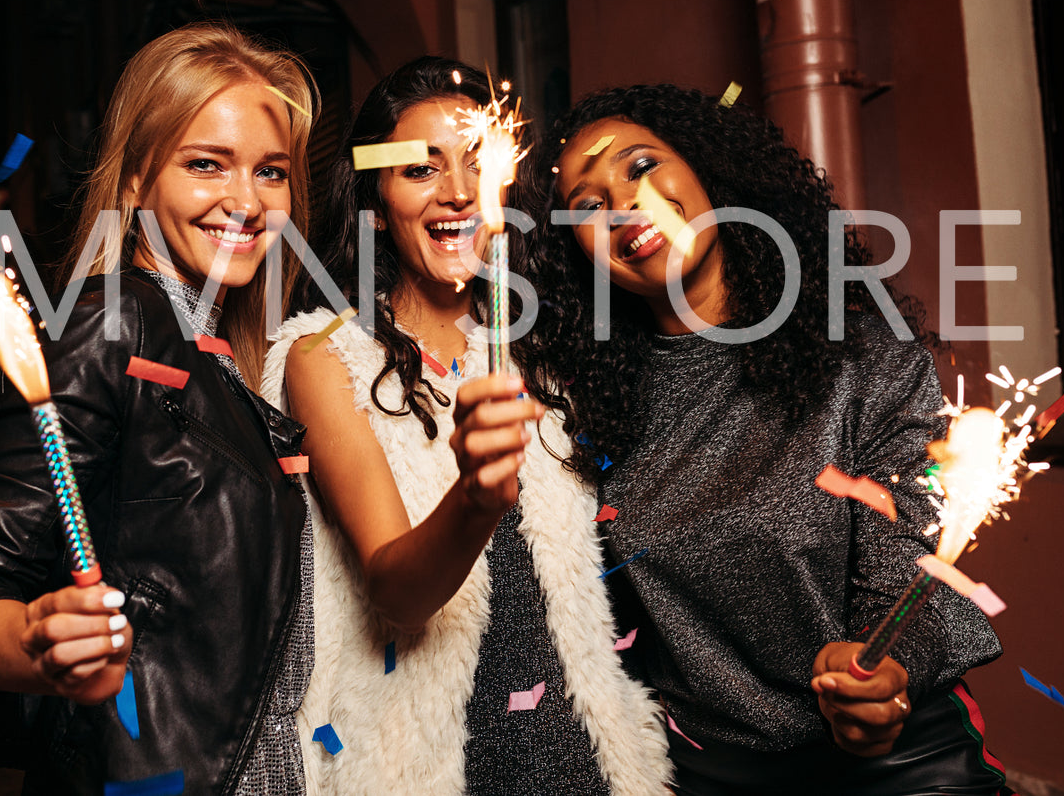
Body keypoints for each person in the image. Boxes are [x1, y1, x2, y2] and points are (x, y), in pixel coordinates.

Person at [512, 84, 1009, 796]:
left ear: (710, 169)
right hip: (706, 775)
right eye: (586, 206)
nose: (621, 204)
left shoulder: (865, 360)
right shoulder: (583, 411)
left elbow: (910, 561)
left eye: (641, 165)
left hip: (898, 768)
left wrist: (884, 669)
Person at [0, 22, 318, 795]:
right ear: (136, 180)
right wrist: (37, 642)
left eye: (270, 171)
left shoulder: (217, 352)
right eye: (206, 164)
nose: (245, 199)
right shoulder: (112, 324)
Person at [263, 57, 670, 795]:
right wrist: (474, 497)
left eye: (475, 165)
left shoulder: (548, 345)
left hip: (584, 760)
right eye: (420, 171)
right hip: (426, 769)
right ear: (377, 204)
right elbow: (398, 592)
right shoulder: (324, 355)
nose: (456, 191)